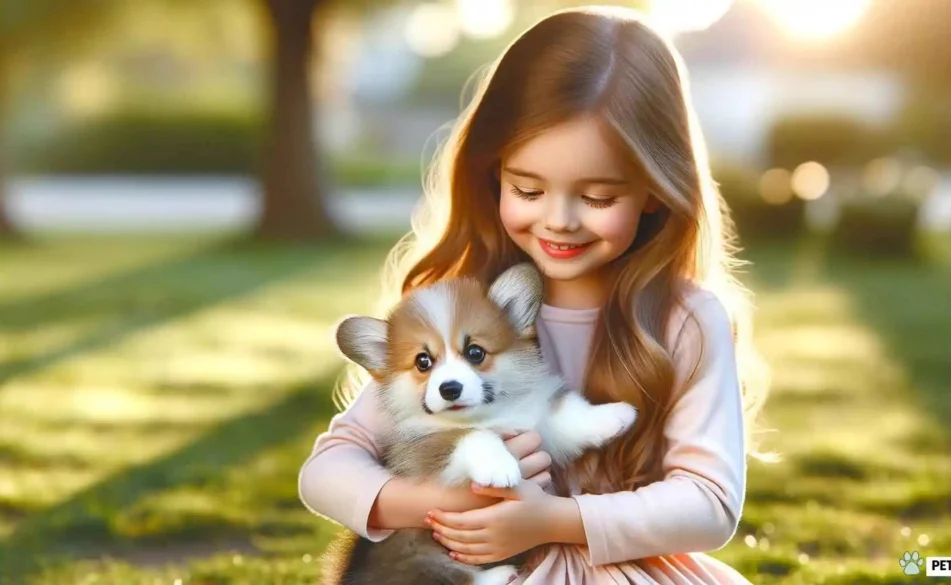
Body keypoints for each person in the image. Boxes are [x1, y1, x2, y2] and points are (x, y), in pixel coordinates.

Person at [299, 5, 773, 583]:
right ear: (492, 173)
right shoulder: (466, 315)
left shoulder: (686, 320)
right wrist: (441, 504)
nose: (559, 221)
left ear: (655, 190)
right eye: (528, 188)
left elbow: (709, 504)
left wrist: (552, 519)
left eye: (597, 197)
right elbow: (325, 470)